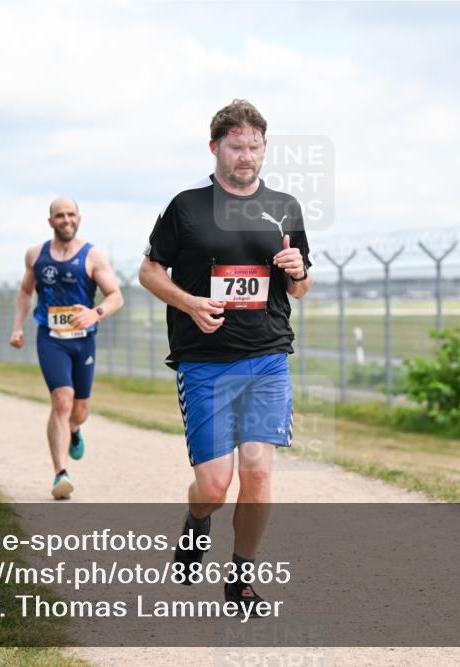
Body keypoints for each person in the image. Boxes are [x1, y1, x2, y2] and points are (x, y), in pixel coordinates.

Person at [138, 100, 312, 613]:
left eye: (255, 147)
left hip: (267, 357)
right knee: (215, 485)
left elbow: (300, 290)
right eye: (237, 146)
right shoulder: (186, 207)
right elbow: (149, 272)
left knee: (258, 472)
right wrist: (189, 303)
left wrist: (297, 269)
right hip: (205, 363)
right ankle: (198, 519)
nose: (247, 156)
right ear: (215, 147)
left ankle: (240, 578)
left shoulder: (284, 207)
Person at [10, 197, 124, 500]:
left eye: (71, 214)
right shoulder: (36, 255)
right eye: (59, 215)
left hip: (83, 340)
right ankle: (61, 473)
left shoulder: (93, 256)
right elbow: (24, 291)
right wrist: (18, 327)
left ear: (79, 218)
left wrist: (94, 313)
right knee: (62, 400)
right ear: (50, 221)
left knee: (79, 410)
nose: (66, 219)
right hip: (50, 338)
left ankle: (74, 430)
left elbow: (115, 296)